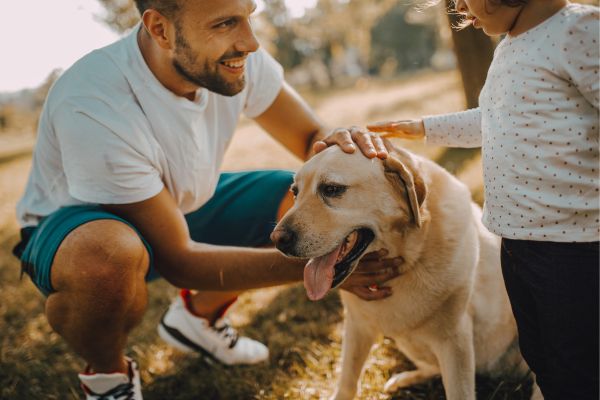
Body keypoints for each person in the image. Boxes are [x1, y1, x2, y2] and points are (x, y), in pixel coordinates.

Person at [11, 0, 402, 398]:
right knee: (107, 258)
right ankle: (109, 380)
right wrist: (329, 269)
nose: (250, 42)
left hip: (178, 204)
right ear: (160, 29)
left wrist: (343, 141)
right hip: (76, 225)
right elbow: (182, 262)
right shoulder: (94, 101)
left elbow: (310, 140)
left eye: (249, 16)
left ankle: (198, 319)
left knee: (302, 198)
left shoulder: (232, 58)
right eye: (226, 23)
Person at [367, 0, 599, 399]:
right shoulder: (509, 46)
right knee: (539, 349)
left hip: (571, 245)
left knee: (575, 356)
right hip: (516, 242)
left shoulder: (579, 29)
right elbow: (492, 119)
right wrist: (423, 128)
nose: (458, 7)